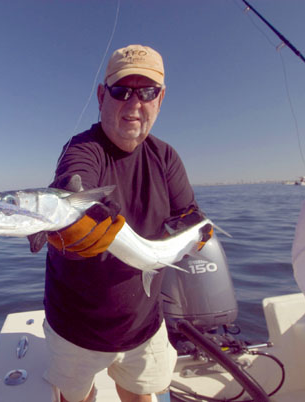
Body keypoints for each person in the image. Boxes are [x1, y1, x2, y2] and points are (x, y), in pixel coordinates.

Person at [29, 44, 200, 402]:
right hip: (74, 328)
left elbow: (188, 215)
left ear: (161, 98)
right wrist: (68, 220)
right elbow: (74, 182)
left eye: (147, 91)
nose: (134, 104)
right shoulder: (83, 148)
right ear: (101, 95)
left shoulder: (166, 157)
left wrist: (196, 232)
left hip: (145, 325)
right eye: (121, 91)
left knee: (140, 396)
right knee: (76, 397)